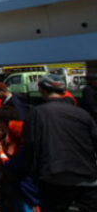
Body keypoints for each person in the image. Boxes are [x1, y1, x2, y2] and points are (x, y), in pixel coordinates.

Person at [23, 75, 97, 211]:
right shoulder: (82, 113)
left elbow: (30, 145)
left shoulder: (37, 113)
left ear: (41, 89)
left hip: (54, 177)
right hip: (87, 176)